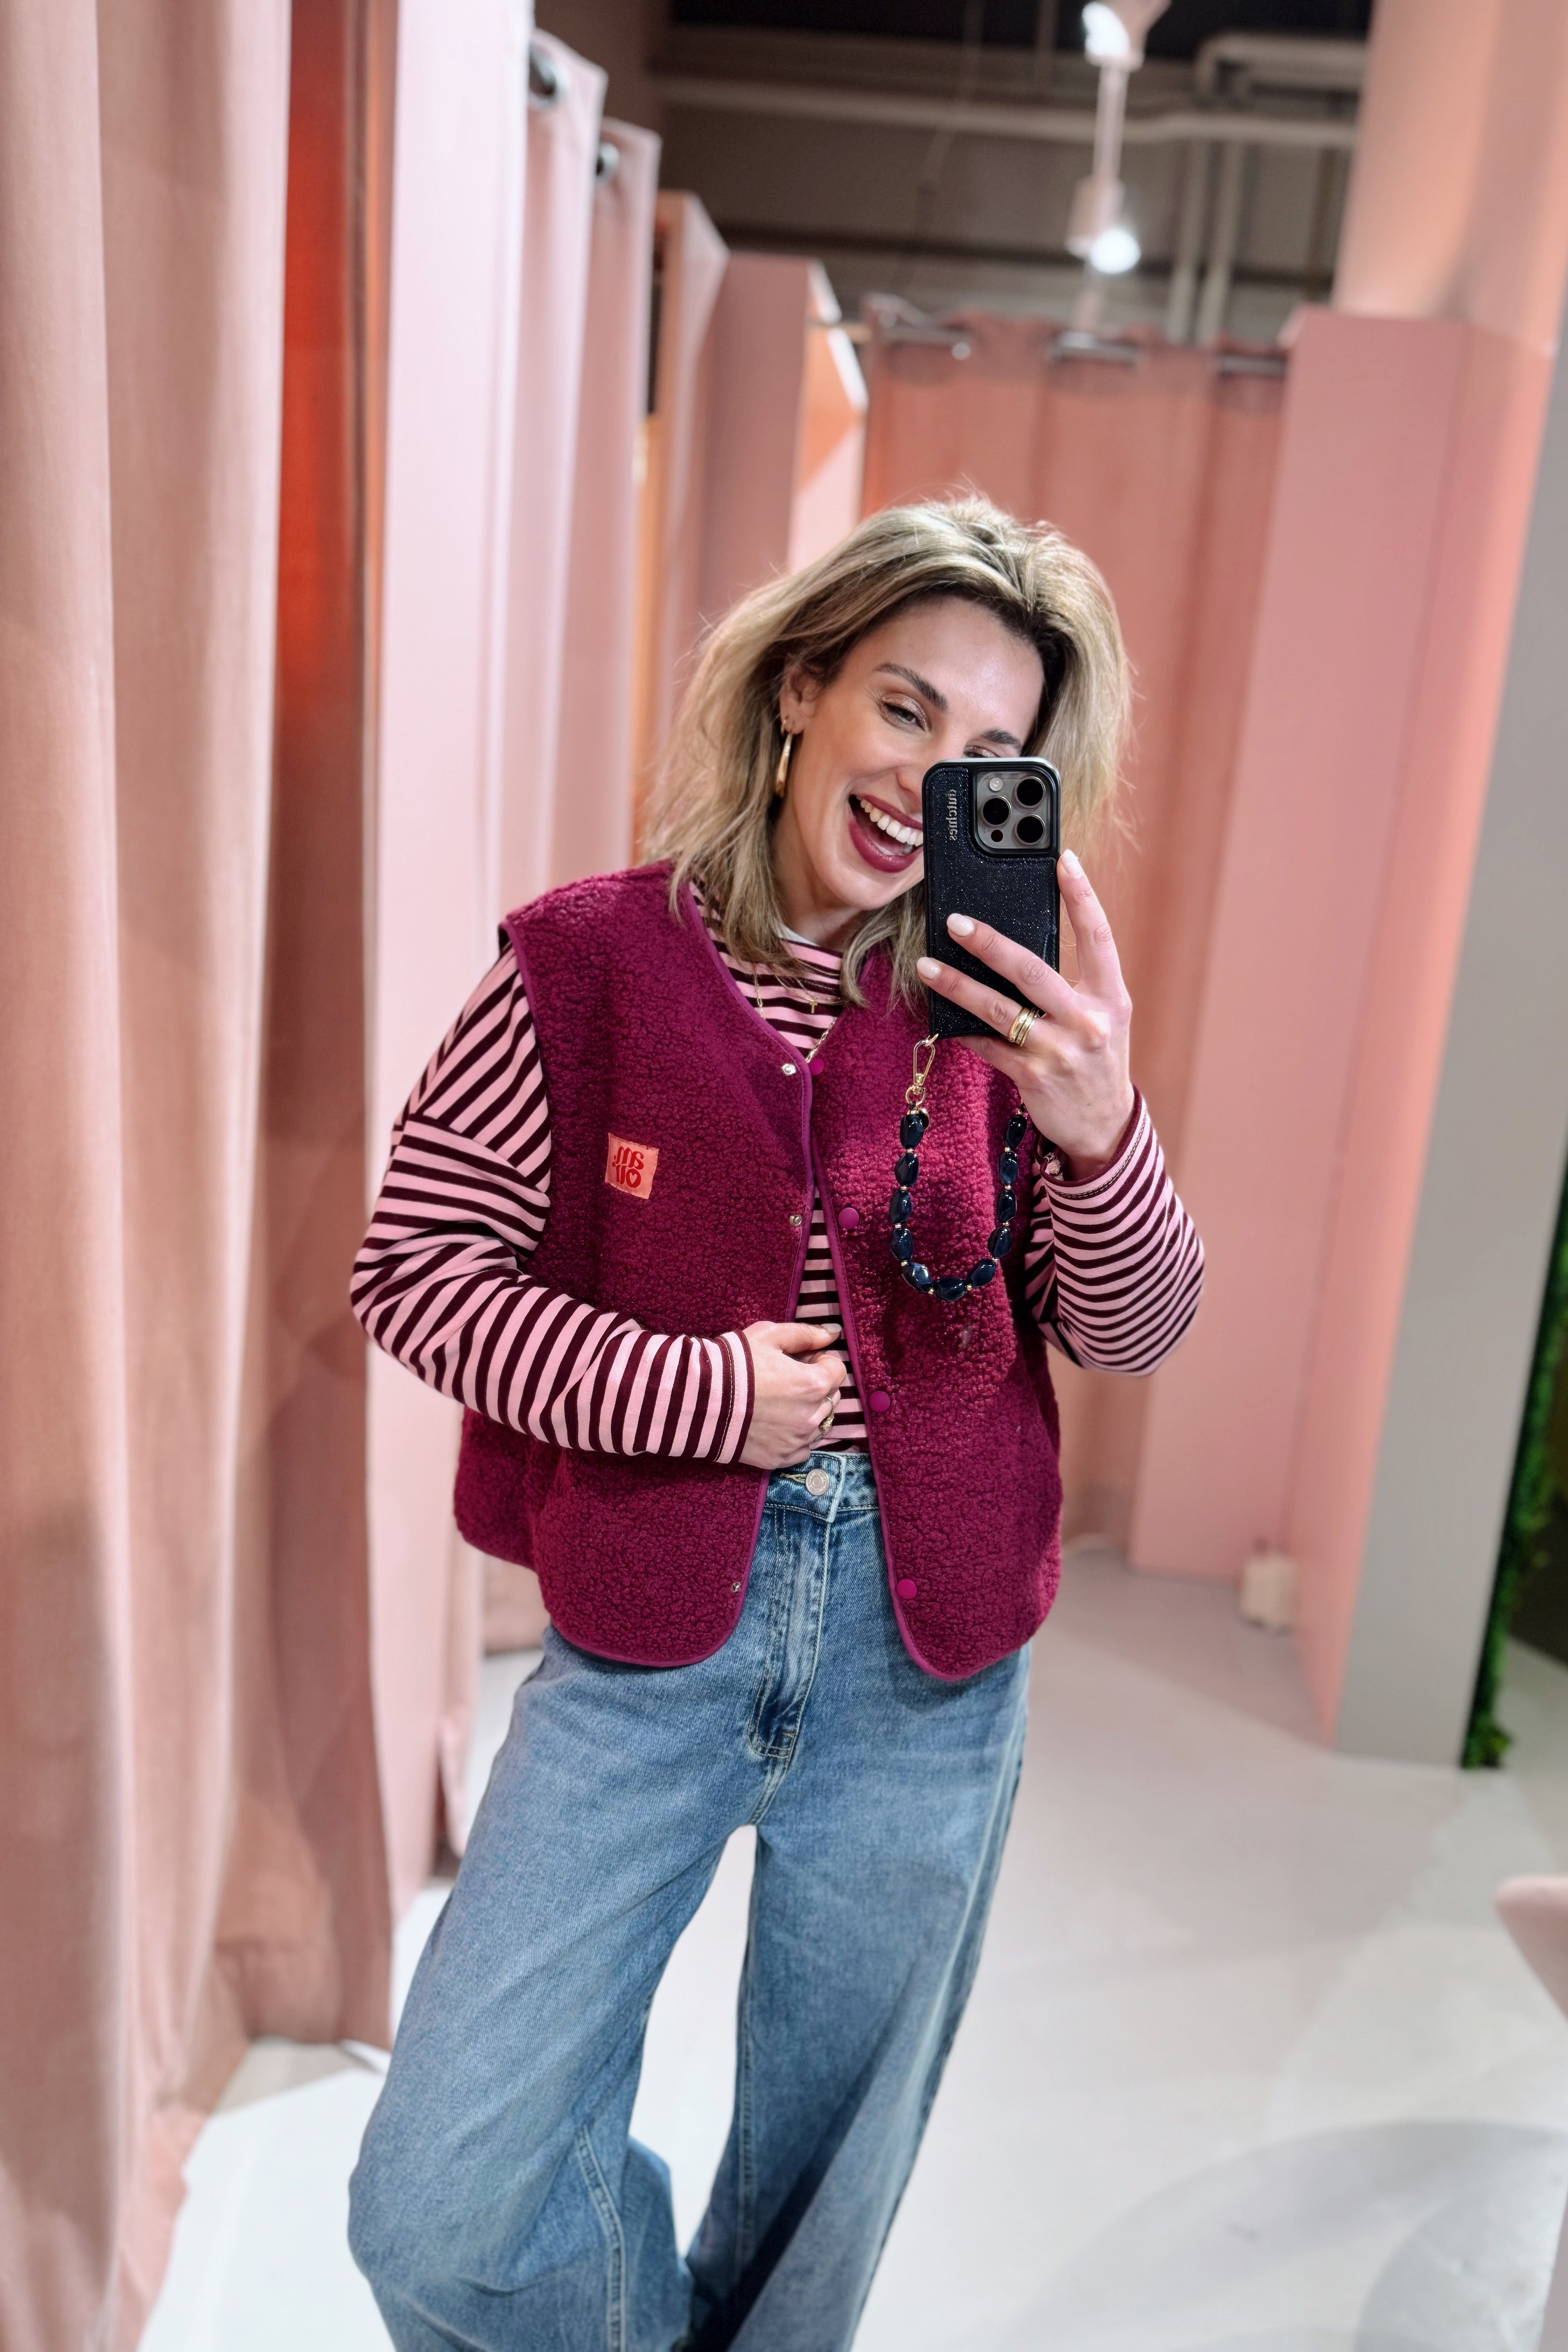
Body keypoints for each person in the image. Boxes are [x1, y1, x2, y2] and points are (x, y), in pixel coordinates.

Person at [345, 497, 1202, 2352]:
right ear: (802, 687)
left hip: (929, 1659)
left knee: (825, 2195)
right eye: (903, 706)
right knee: (440, 2201)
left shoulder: (1008, 1016)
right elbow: (414, 1269)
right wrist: (700, 1395)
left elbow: (1135, 1327)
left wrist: (1101, 1125)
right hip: (654, 1635)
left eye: (988, 751)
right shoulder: (583, 964)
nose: (925, 776)